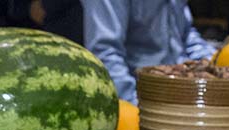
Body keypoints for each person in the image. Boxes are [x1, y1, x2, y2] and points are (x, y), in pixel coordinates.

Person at [78, 0, 216, 104]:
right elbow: (104, 54)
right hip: (141, 96)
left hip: (184, 95)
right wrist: (141, 107)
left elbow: (185, 34)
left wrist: (216, 62)